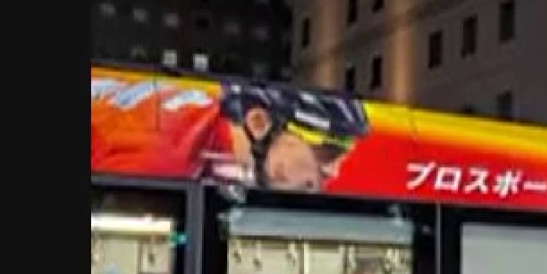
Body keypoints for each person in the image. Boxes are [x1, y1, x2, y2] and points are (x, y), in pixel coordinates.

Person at [91, 75, 369, 191]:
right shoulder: (164, 157)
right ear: (259, 122)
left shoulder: (210, 136)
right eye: (326, 151)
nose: (333, 171)